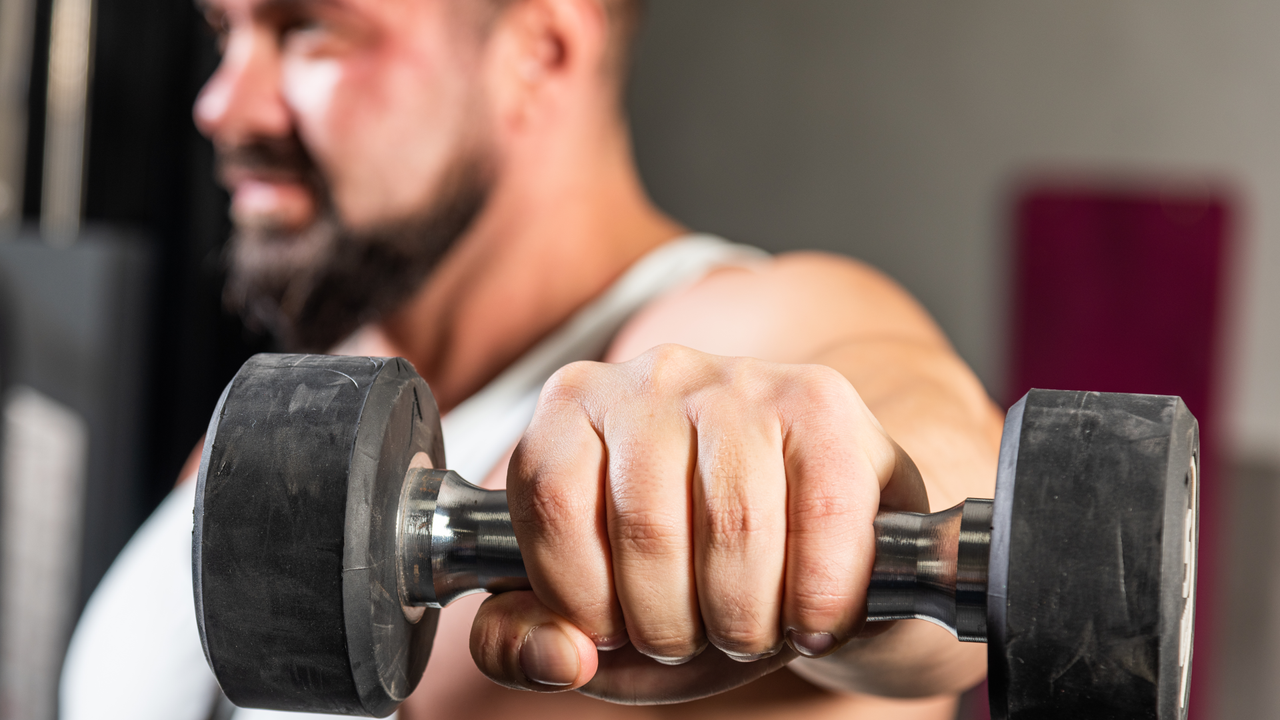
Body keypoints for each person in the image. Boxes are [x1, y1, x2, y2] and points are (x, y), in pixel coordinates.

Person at [61, 0, 1003, 718]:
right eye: (227, 31)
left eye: (311, 30)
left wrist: (847, 512)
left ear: (537, 50)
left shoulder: (735, 323)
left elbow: (923, 447)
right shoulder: (288, 416)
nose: (221, 102)